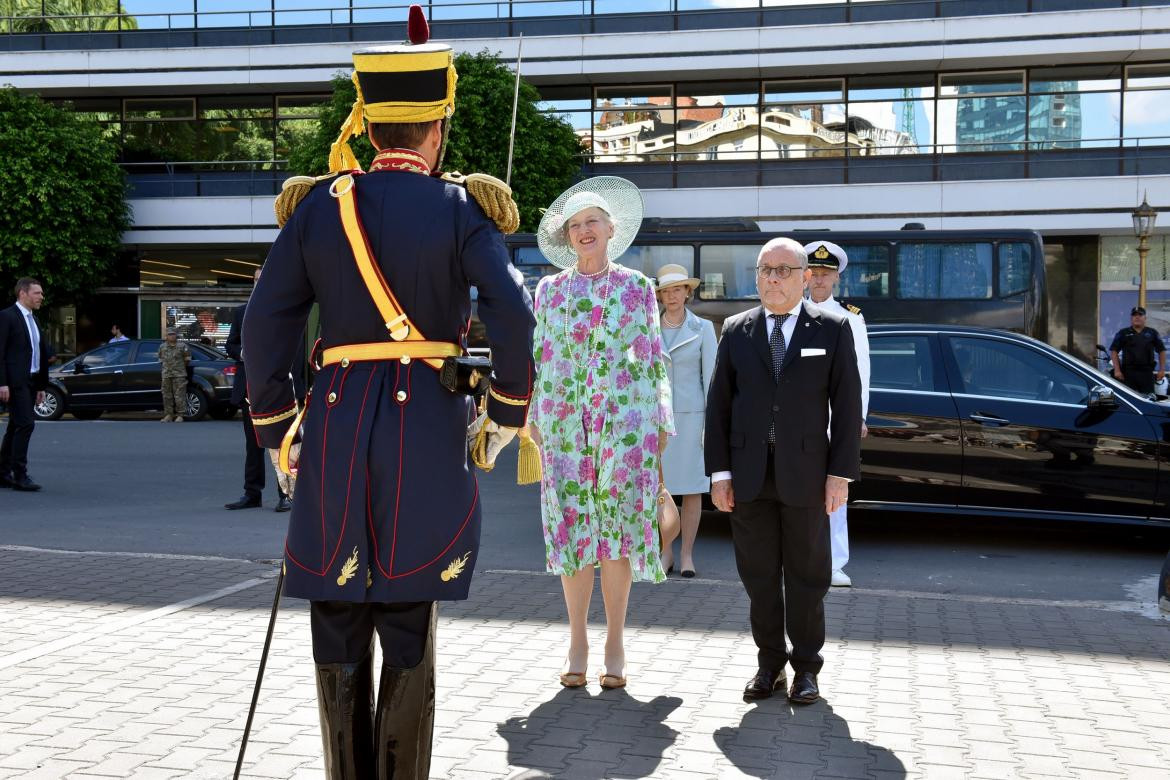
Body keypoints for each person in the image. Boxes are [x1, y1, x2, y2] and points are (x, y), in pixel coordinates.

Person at [241, 11, 535, 777]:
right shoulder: (462, 207)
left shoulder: (318, 206)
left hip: (335, 428)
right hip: (427, 430)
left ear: (369, 128)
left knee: (336, 617)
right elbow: (513, 312)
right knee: (408, 620)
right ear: (436, 129)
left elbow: (264, 324)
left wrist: (278, 430)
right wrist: (505, 413)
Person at [528, 176, 674, 690]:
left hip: (623, 426)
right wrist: (534, 417)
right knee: (572, 530)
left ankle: (614, 642)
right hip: (565, 426)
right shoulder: (549, 290)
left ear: (612, 229)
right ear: (567, 237)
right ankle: (577, 641)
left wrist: (661, 419)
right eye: (575, 225)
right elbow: (540, 357)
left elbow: (652, 357)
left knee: (616, 535)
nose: (584, 230)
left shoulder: (637, 287)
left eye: (593, 221)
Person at [705, 237, 861, 706]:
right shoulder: (737, 330)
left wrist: (840, 475)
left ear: (805, 277)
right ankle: (769, 664)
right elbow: (719, 407)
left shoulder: (833, 328)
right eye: (765, 270)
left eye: (783, 270)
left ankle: (806, 669)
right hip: (748, 476)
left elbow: (847, 408)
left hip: (807, 475)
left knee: (808, 577)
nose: (773, 278)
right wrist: (719, 474)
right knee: (758, 577)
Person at [804, 240, 870, 589]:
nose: (819, 279)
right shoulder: (791, 312)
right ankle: (800, 560)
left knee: (837, 488)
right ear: (805, 275)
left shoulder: (850, 318)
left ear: (836, 278)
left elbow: (861, 372)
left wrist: (858, 417)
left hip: (834, 417)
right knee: (797, 489)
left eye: (825, 273)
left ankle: (835, 563)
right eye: (814, 273)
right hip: (798, 418)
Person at [655, 262, 716, 578]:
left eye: (677, 289)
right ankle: (665, 552)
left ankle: (687, 555)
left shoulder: (703, 328)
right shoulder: (647, 328)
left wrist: (710, 426)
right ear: (660, 295)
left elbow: (712, 380)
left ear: (687, 293)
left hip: (693, 420)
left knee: (692, 490)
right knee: (659, 489)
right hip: (657, 421)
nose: (672, 296)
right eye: (666, 291)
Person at [224, 268, 302, 513]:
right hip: (250, 389)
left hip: (278, 389)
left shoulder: (286, 312)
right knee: (253, 446)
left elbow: (296, 349)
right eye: (257, 279)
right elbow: (230, 344)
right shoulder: (241, 312)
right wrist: (243, 353)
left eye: (264, 279)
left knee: (282, 444)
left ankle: (286, 494)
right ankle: (252, 493)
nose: (260, 283)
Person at [0, 278, 49, 492]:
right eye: (37, 293)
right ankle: (20, 475)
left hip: (31, 381)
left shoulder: (34, 319)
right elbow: (0, 352)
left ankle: (3, 472)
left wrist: (41, 386)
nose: (41, 297)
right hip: (15, 381)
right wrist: (2, 383)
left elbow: (38, 354)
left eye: (41, 293)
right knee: (26, 424)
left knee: (15, 425)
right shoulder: (7, 316)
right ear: (22, 293)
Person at [1110, 306, 1166, 395]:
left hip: (1146, 373)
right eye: (1134, 315)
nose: (1137, 317)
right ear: (1131, 318)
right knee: (1129, 398)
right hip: (1128, 374)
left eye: (1140, 315)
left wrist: (1162, 370)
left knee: (1148, 399)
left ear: (1145, 318)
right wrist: (1117, 370)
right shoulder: (1123, 333)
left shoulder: (1152, 333)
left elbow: (1161, 350)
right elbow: (1114, 351)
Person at [158, 328, 190, 423]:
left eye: (173, 334)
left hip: (179, 374)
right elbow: (160, 360)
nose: (172, 336)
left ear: (176, 335)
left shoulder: (183, 346)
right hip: (166, 374)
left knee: (179, 395)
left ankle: (180, 415)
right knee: (166, 395)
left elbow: (187, 360)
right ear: (166, 336)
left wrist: (179, 368)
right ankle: (168, 415)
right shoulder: (162, 347)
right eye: (169, 334)